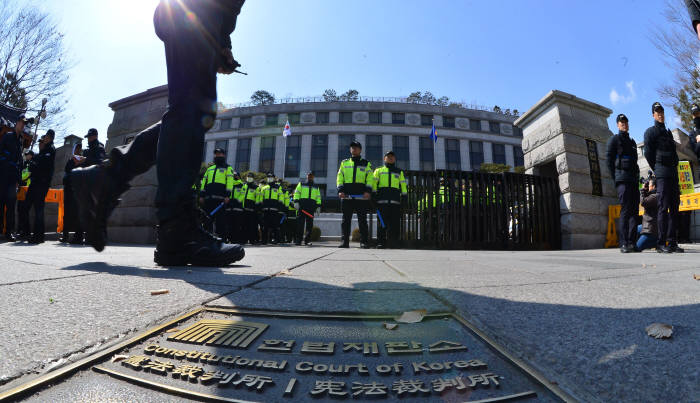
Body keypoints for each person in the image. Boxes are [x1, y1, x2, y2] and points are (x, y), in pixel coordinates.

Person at [70, 0, 246, 266]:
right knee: (191, 110)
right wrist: (221, 39)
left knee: (190, 114)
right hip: (196, 11)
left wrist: (223, 41)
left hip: (197, 14)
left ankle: (104, 179)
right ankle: (176, 230)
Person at [643, 102, 683, 253]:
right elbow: (648, 153)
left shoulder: (668, 133)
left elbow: (674, 152)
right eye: (657, 112)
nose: (660, 114)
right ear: (653, 115)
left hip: (673, 173)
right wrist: (658, 168)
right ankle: (661, 243)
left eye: (662, 112)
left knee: (674, 208)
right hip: (662, 173)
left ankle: (672, 242)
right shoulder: (650, 132)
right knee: (663, 207)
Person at [605, 114, 640, 253]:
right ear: (617, 125)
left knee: (634, 212)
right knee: (625, 211)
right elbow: (608, 160)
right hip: (622, 180)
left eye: (626, 122)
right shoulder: (614, 139)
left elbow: (635, 161)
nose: (624, 124)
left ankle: (632, 242)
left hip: (633, 180)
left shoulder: (632, 142)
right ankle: (624, 243)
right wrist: (616, 178)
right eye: (621, 122)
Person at [18, 130, 56, 243]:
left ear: (49, 138)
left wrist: (35, 165)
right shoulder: (41, 154)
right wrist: (34, 165)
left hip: (42, 183)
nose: (42, 141)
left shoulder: (50, 150)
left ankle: (38, 236)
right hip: (34, 183)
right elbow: (32, 167)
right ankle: (26, 232)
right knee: (25, 207)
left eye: (44, 139)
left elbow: (43, 167)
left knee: (39, 210)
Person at [336, 141, 373, 248]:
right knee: (345, 220)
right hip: (346, 196)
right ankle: (344, 242)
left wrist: (368, 191)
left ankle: (364, 242)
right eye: (352, 147)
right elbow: (340, 177)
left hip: (361, 197)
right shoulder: (344, 163)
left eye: (356, 147)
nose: (354, 149)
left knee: (362, 220)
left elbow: (370, 178)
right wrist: (340, 190)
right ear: (350, 150)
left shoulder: (366, 163)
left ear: (360, 150)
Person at [0, 114, 29, 241]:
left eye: (24, 124)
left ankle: (9, 232)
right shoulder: (7, 136)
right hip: (3, 175)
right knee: (0, 203)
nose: (22, 125)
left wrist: (18, 180)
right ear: (16, 123)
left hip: (13, 178)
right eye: (21, 122)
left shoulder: (20, 141)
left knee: (11, 206)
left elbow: (20, 162)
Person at [372, 151, 407, 249]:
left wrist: (404, 198)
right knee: (382, 224)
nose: (390, 158)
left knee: (395, 224)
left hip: (395, 203)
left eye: (392, 157)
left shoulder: (399, 172)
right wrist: (374, 196)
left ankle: (394, 243)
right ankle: (381, 243)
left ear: (395, 159)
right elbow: (374, 184)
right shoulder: (378, 171)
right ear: (384, 159)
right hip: (381, 202)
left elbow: (403, 186)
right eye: (388, 156)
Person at [199, 148, 233, 237]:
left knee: (220, 221)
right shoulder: (209, 169)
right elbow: (204, 183)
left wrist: (228, 196)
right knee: (207, 220)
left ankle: (221, 240)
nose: (217, 155)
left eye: (220, 154)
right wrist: (201, 196)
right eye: (216, 154)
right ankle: (207, 239)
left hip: (221, 200)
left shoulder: (228, 168)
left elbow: (230, 183)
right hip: (208, 199)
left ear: (224, 155)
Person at [61, 142, 85, 244]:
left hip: (77, 191)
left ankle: (77, 235)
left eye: (79, 149)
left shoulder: (83, 161)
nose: (78, 150)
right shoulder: (70, 161)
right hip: (68, 190)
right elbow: (66, 173)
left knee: (77, 213)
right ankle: (65, 235)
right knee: (66, 214)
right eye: (76, 148)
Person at [294, 171, 322, 246]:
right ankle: (298, 241)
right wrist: (296, 201)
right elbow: (296, 193)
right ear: (307, 176)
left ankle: (307, 241)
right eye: (309, 176)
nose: (310, 177)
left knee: (309, 226)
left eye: (311, 176)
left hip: (311, 209)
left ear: (313, 177)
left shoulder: (316, 187)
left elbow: (318, 197)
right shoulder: (301, 184)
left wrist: (318, 206)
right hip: (302, 208)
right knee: (300, 225)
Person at [259, 173, 283, 244]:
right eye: (268, 177)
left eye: (271, 177)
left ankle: (276, 240)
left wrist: (280, 207)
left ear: (274, 178)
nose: (270, 178)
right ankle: (264, 240)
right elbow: (261, 198)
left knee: (275, 226)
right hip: (265, 209)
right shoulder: (264, 188)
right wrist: (261, 207)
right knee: (265, 226)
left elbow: (281, 198)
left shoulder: (278, 187)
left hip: (275, 210)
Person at [637, 177, 659, 251]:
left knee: (637, 248)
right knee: (632, 229)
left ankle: (655, 242)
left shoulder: (655, 196)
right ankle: (653, 242)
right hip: (647, 226)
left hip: (650, 229)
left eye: (649, 184)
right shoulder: (652, 195)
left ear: (654, 186)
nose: (647, 186)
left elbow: (643, 202)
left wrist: (642, 190)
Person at [240, 172, 261, 244]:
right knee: (243, 225)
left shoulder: (256, 187)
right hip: (244, 209)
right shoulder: (244, 186)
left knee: (252, 226)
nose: (249, 177)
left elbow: (258, 198)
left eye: (250, 176)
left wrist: (257, 208)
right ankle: (244, 240)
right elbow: (241, 196)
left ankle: (252, 240)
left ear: (253, 178)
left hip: (252, 209)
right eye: (248, 176)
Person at [226, 171, 244, 243]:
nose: (235, 176)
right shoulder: (229, 184)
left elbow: (243, 195)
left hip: (238, 208)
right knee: (229, 225)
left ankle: (236, 240)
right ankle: (229, 239)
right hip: (229, 208)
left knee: (237, 225)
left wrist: (236, 201)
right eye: (233, 175)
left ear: (239, 176)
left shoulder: (242, 185)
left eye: (236, 175)